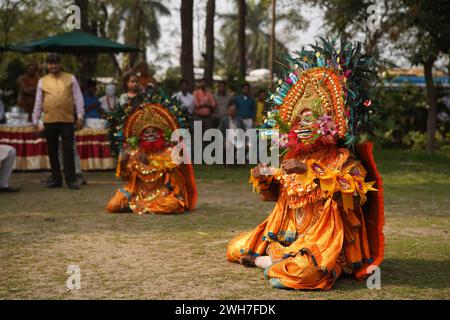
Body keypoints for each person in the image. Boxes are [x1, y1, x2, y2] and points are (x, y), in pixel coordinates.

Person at [226, 38, 384, 290]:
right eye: (297, 121)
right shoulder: (291, 158)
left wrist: (311, 172)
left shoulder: (343, 159)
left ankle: (266, 262)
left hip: (323, 245)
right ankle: (272, 260)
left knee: (305, 272)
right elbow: (273, 196)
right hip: (287, 237)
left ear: (331, 123)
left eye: (309, 120)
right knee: (234, 247)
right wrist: (265, 176)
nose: (300, 128)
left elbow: (354, 200)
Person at [106, 91, 198, 214]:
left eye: (154, 131)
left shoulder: (169, 150)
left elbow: (176, 174)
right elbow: (124, 177)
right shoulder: (135, 152)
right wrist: (124, 157)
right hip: (137, 194)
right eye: (146, 132)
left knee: (171, 205)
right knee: (113, 205)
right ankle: (139, 204)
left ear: (161, 134)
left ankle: (142, 207)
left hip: (163, 194)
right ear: (140, 136)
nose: (150, 134)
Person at [32, 53, 84, 190]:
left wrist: (80, 116)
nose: (53, 66)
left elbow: (78, 98)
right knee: (52, 151)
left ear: (60, 64)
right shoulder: (42, 81)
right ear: (47, 65)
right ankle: (56, 179)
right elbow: (38, 101)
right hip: (49, 120)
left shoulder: (71, 78)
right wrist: (35, 120)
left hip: (67, 120)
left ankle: (71, 180)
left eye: (55, 63)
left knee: (68, 150)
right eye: (50, 63)